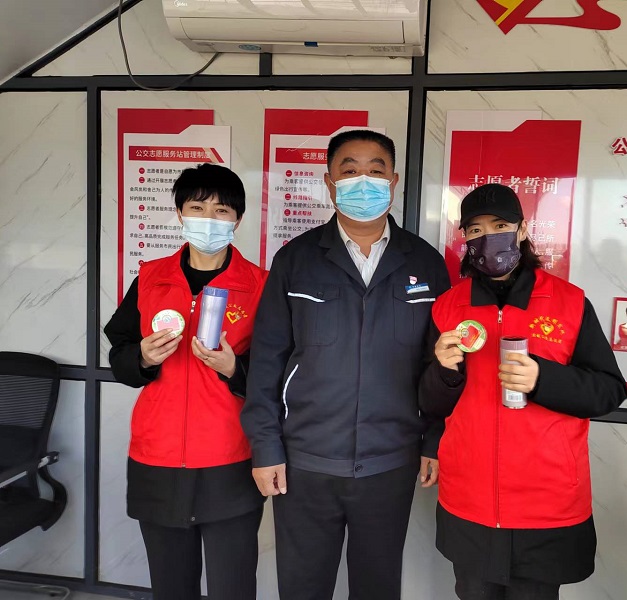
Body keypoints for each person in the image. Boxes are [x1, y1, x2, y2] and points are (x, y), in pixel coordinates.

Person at [242, 130, 451, 600]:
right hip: (305, 463)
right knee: (302, 587)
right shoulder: (296, 260)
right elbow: (267, 361)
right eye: (350, 170)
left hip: (390, 462)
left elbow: (438, 367)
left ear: (393, 181)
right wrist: (266, 447)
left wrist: (434, 441)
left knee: (377, 587)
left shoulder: (426, 263)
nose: (363, 181)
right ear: (330, 181)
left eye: (376, 171)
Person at [418, 184, 627, 600]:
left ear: (523, 229)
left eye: (500, 226)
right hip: (470, 499)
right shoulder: (448, 308)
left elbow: (608, 391)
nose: (488, 237)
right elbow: (431, 403)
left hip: (545, 502)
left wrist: (542, 379)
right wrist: (443, 370)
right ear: (465, 240)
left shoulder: (569, 302)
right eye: (475, 230)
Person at [104, 164, 268, 600]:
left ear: (238, 219)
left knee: (233, 587)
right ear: (179, 213)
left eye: (221, 211)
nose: (208, 219)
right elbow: (119, 354)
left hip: (230, 457)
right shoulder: (151, 278)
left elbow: (279, 372)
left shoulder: (259, 286)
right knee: (171, 586)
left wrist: (234, 368)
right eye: (197, 207)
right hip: (156, 455)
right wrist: (142, 357)